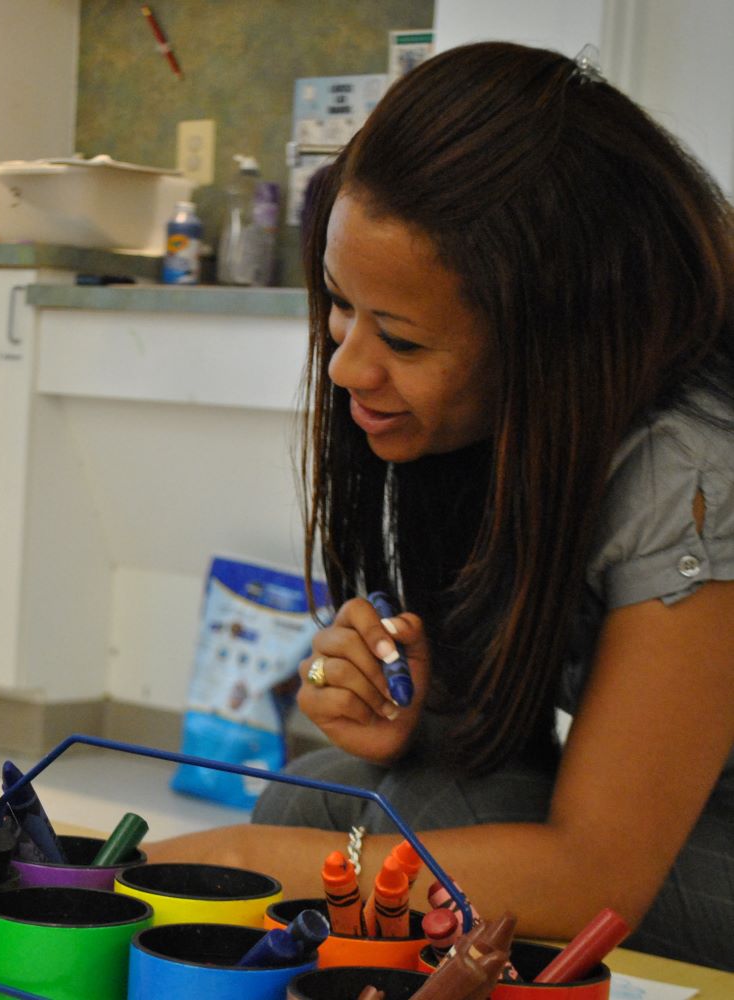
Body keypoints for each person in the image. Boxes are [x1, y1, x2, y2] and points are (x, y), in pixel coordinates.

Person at [146, 41, 734, 970]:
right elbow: (523, 743)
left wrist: (240, 857)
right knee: (322, 793)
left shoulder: (695, 471)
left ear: (556, 341)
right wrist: (425, 714)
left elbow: (594, 875)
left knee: (357, 834)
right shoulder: (515, 429)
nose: (346, 366)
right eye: (341, 305)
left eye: (406, 341)